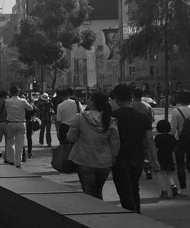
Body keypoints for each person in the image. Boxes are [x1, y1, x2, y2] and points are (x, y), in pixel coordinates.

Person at [110, 84, 160, 213]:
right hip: (138, 157)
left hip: (119, 158)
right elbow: (149, 139)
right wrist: (154, 160)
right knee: (134, 187)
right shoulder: (142, 117)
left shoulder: (113, 116)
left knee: (124, 190)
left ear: (116, 98)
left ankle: (132, 216)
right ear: (131, 97)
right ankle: (137, 213)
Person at [66, 91, 120, 199]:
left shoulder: (79, 118)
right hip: (104, 161)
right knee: (98, 191)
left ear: (92, 103)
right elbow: (115, 142)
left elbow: (71, 138)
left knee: (88, 193)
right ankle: (100, 212)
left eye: (89, 99)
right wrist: (113, 157)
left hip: (84, 159)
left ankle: (93, 213)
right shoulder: (110, 120)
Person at [2, 85, 34, 168]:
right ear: (18, 92)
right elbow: (30, 108)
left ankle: (10, 160)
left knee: (10, 142)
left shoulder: (7, 101)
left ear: (10, 92)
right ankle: (18, 163)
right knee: (19, 144)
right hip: (21, 123)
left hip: (10, 123)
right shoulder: (23, 101)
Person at [154, 119, 180, 199]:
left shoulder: (157, 138)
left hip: (160, 158)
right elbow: (175, 148)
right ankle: (173, 185)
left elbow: (156, 148)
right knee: (169, 173)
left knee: (160, 173)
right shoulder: (171, 137)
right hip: (169, 157)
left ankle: (164, 191)